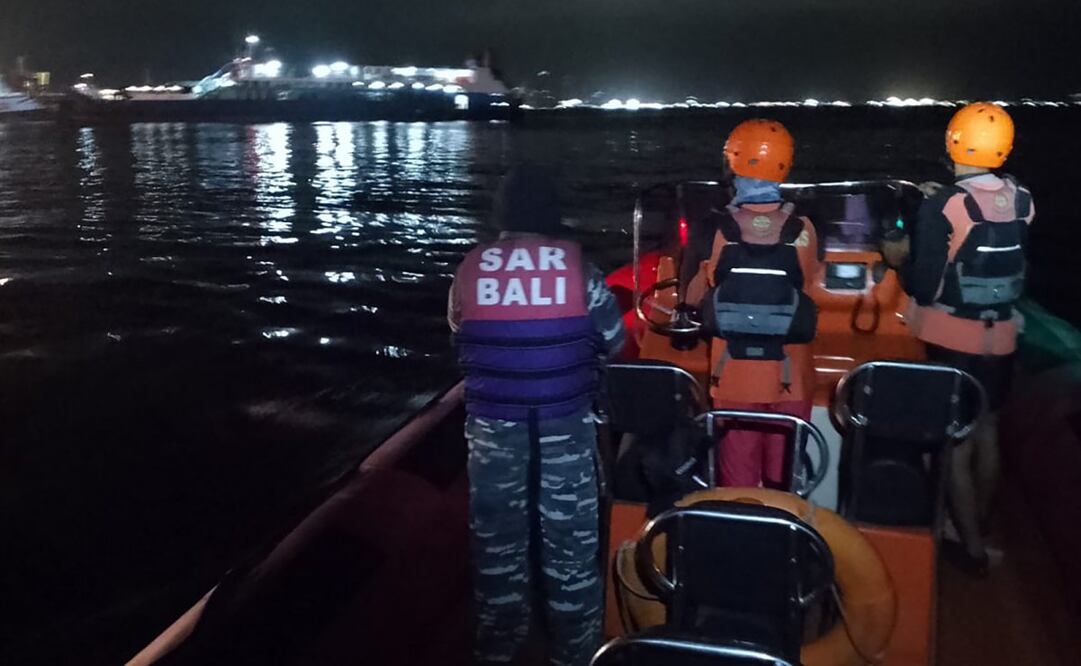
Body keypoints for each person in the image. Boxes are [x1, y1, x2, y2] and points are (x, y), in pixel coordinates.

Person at [447, 165, 625, 666]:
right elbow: (615, 342)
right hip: (565, 432)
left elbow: (460, 333)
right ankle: (575, 655)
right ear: (551, 217)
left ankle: (499, 649)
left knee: (497, 551)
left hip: (491, 438)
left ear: (500, 216)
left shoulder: (469, 270)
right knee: (570, 554)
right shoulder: (579, 272)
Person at [898, 102, 1034, 575]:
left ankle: (970, 548)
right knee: (988, 428)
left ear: (954, 142)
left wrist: (902, 253)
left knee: (955, 441)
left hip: (954, 340)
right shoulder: (1022, 198)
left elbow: (924, 285)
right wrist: (945, 201)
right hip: (1003, 336)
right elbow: (984, 217)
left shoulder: (942, 206)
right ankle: (982, 522)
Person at [700, 119, 821, 488]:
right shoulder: (804, 230)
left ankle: (745, 542)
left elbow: (699, 290)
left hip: (734, 378)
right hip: (791, 379)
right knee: (785, 482)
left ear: (734, 162)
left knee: (738, 487)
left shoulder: (718, 229)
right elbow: (811, 280)